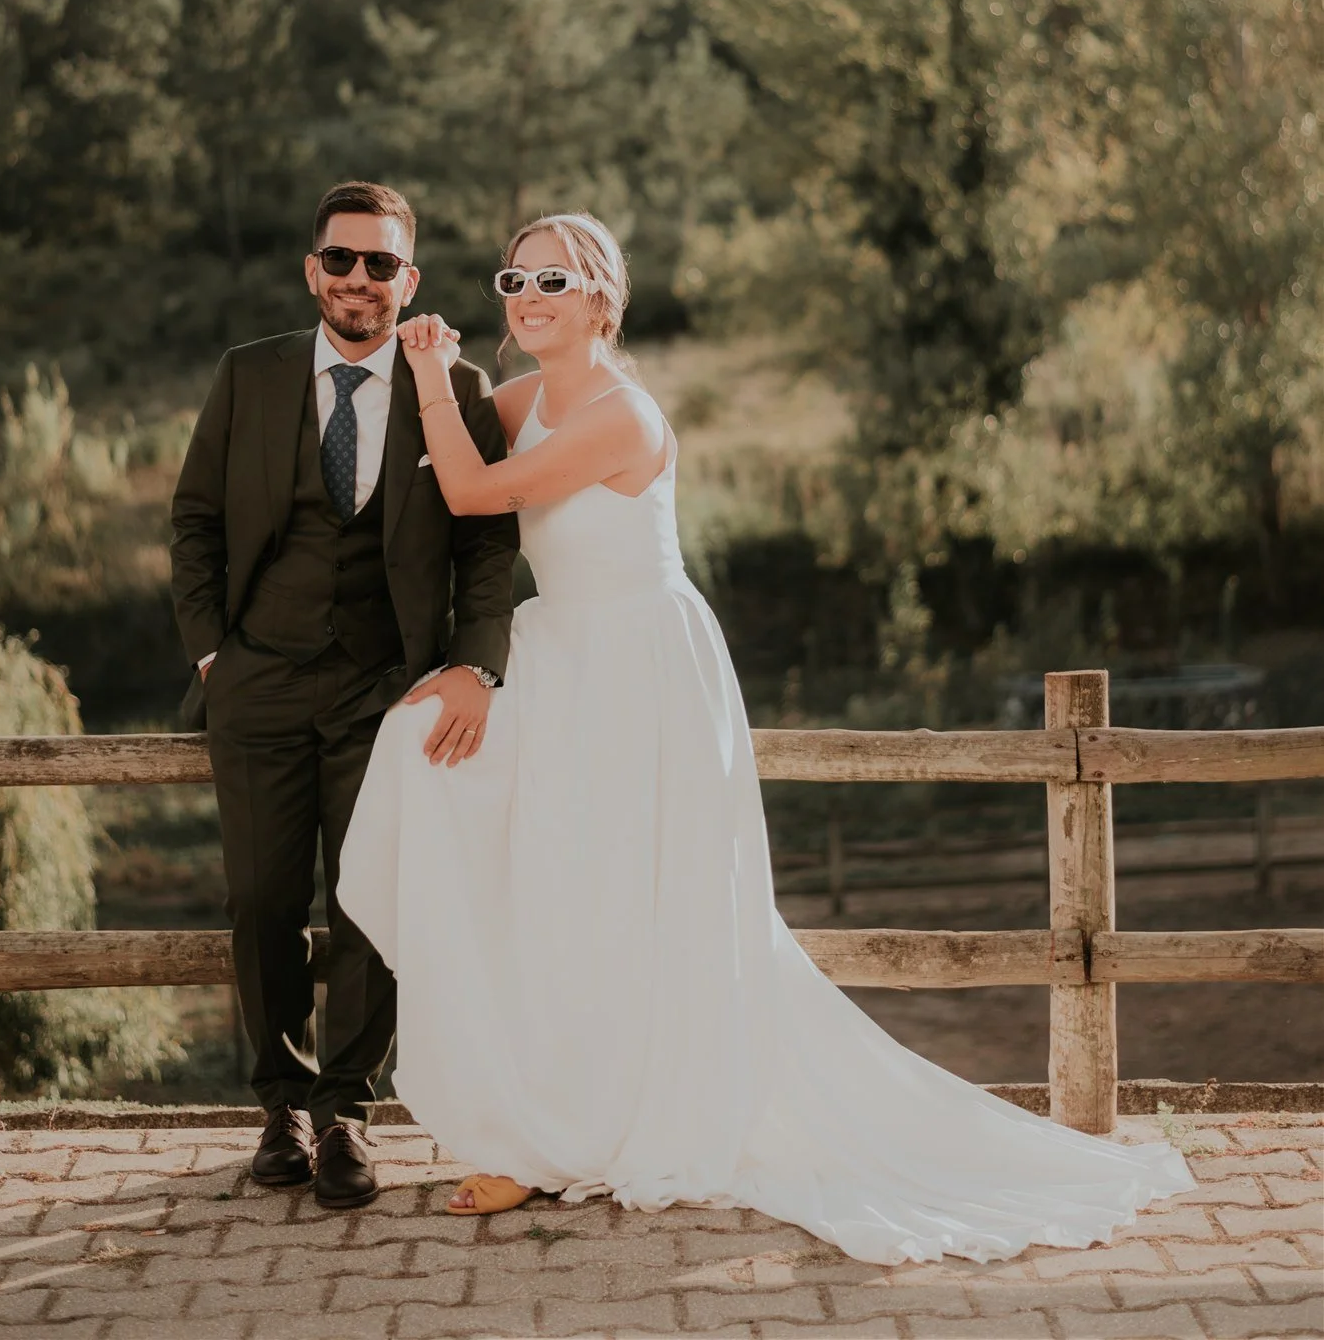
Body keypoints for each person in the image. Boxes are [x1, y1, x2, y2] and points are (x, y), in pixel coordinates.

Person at [338, 209, 1193, 1260]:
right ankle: (537, 1120)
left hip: (639, 668)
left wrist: (426, 368)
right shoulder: (523, 397)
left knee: (633, 894)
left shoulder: (623, 414)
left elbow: (471, 487)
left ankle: (601, 1121)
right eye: (514, 279)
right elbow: (448, 473)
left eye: (552, 281)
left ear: (603, 297)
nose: (526, 297)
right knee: (501, 836)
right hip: (557, 650)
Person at [170, 181, 518, 1209]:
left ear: (410, 279)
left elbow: (486, 543)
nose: (358, 279)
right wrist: (209, 658)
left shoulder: (448, 381)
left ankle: (345, 1113)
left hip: (386, 689)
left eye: (380, 263)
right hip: (258, 678)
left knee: (371, 901)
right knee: (263, 897)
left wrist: (474, 662)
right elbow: (193, 519)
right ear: (311, 268)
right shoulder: (251, 374)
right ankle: (278, 1103)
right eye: (341, 259)